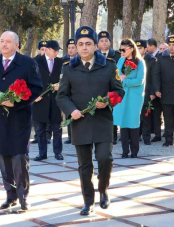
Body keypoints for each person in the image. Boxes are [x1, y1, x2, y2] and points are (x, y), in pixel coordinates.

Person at [56, 26, 124, 215]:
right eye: (80, 44)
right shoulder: (68, 68)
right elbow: (61, 96)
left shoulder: (109, 66)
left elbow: (119, 91)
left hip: (103, 121)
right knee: (84, 165)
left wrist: (108, 101)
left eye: (88, 44)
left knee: (104, 159)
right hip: (80, 122)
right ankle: (88, 201)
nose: (84, 48)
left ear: (95, 45)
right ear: (76, 47)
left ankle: (103, 190)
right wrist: (72, 111)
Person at [0, 31, 43, 211]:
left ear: (17, 45)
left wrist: (17, 102)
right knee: (4, 159)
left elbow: (37, 88)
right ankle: (10, 195)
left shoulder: (28, 63)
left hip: (20, 118)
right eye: (1, 41)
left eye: (8, 42)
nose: (4, 45)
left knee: (19, 158)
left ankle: (23, 197)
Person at [113, 39, 146, 158]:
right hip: (123, 94)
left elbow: (139, 80)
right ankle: (125, 150)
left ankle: (134, 150)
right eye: (120, 49)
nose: (122, 52)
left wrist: (125, 80)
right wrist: (120, 80)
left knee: (133, 121)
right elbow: (116, 76)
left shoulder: (140, 62)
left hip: (135, 96)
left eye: (124, 49)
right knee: (123, 121)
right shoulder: (121, 60)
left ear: (131, 48)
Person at [32, 40, 64, 161]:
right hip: (40, 100)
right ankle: (42, 153)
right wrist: (34, 95)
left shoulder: (60, 62)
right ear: (47, 50)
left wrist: (60, 86)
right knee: (40, 128)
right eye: (55, 51)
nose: (56, 53)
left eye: (57, 51)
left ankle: (57, 152)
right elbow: (30, 80)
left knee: (57, 127)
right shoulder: (36, 61)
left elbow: (65, 79)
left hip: (55, 100)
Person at [97, 31, 121, 144]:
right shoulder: (94, 55)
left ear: (110, 42)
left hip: (112, 89)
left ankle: (113, 137)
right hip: (98, 89)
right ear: (97, 43)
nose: (104, 43)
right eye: (101, 41)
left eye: (106, 41)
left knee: (112, 114)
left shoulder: (117, 55)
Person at [135, 39, 158, 145]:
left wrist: (153, 92)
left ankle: (146, 137)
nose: (138, 50)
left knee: (146, 116)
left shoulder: (152, 60)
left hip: (147, 91)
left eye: (140, 48)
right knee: (135, 115)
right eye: (136, 48)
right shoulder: (131, 60)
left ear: (145, 49)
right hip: (135, 92)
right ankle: (136, 136)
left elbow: (154, 77)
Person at [31, 40, 51, 144]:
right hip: (37, 91)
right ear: (39, 50)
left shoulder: (51, 61)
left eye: (46, 49)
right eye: (42, 49)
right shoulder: (34, 61)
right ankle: (37, 135)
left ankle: (47, 135)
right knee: (35, 115)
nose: (44, 51)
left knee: (47, 114)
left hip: (48, 91)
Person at [61, 38, 78, 144]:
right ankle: (70, 136)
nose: (71, 50)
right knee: (68, 113)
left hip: (76, 90)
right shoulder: (63, 61)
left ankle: (76, 136)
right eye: (69, 48)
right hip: (67, 91)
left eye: (73, 48)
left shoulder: (79, 60)